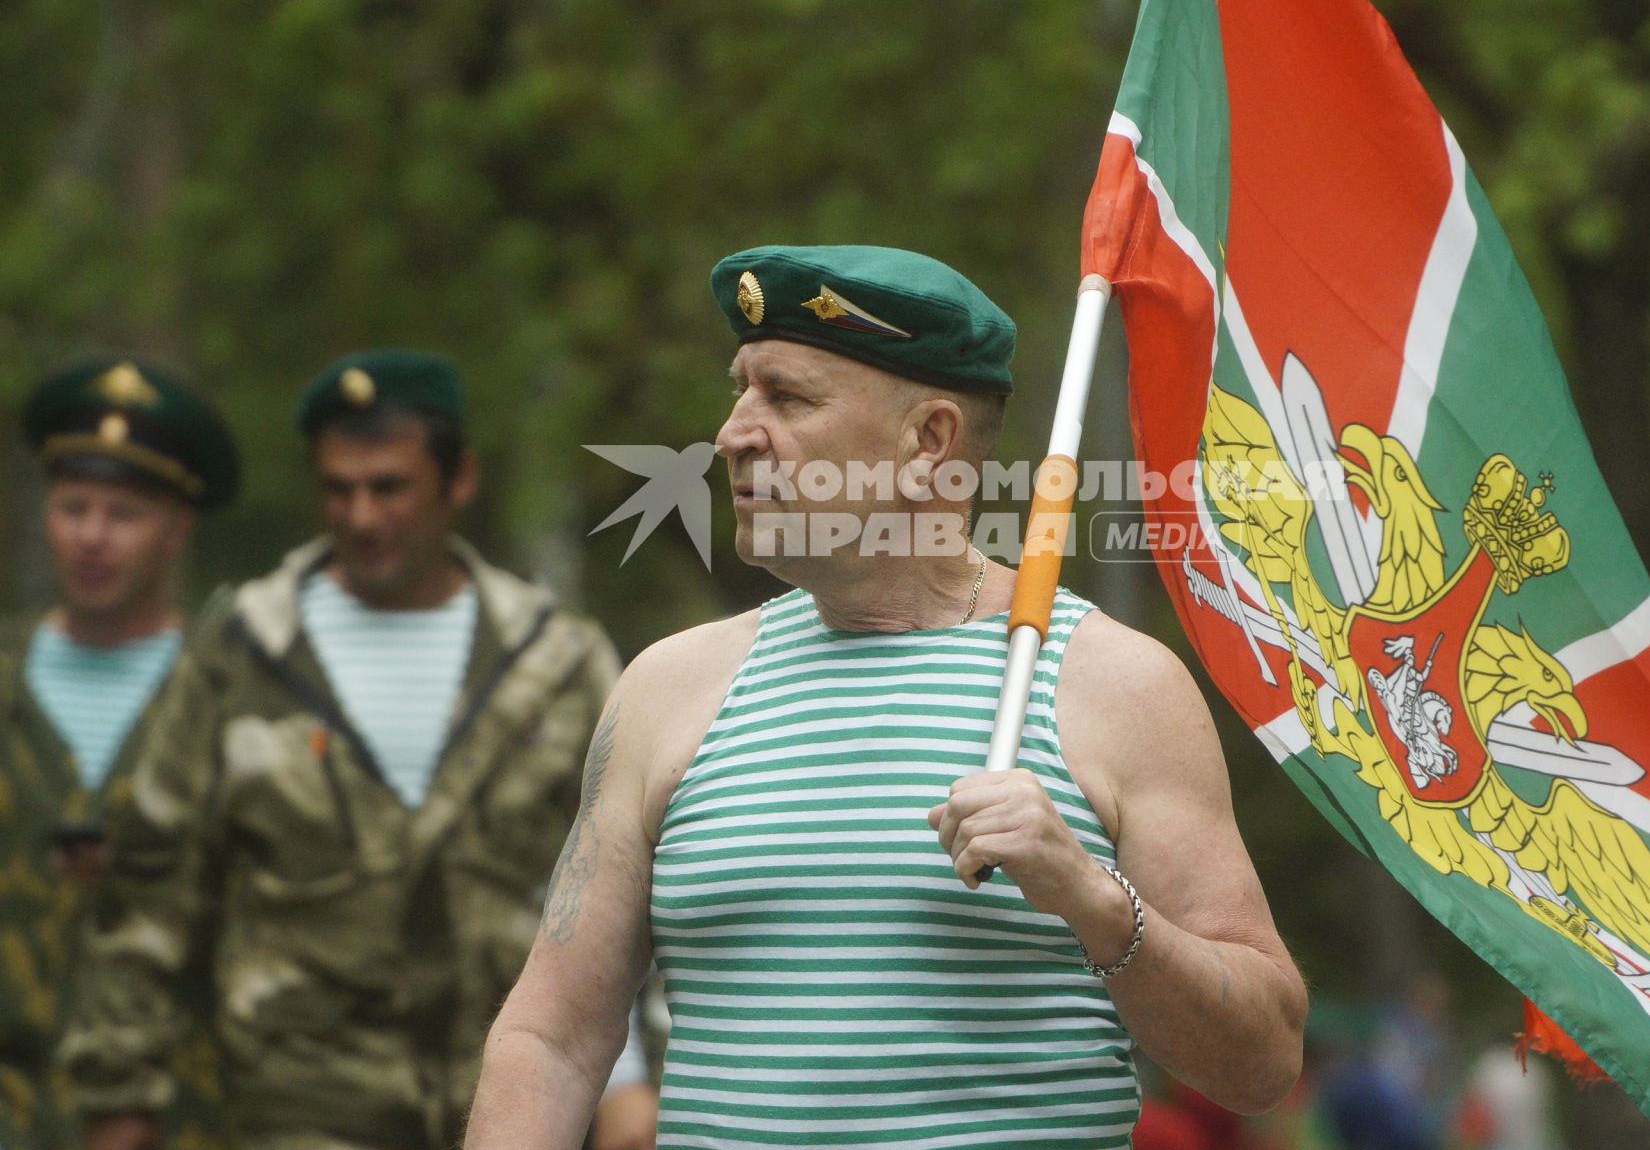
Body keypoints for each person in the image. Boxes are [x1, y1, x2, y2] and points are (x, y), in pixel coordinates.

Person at [465, 245, 1309, 1148]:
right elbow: (551, 1040)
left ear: (929, 441)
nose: (731, 433)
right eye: (740, 389)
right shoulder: (668, 689)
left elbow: (1259, 1064)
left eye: (785, 398)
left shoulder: (1113, 684)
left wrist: (1094, 902)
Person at [60, 349, 628, 1150]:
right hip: (297, 1108)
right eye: (339, 489)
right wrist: (120, 1098)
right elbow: (155, 883)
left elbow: (629, 885)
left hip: (515, 1107)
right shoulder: (246, 650)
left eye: (389, 487)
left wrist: (634, 1082)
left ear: (457, 480)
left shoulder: (558, 661)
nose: (362, 517)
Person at [0, 358, 240, 1150]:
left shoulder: (232, 700)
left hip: (188, 1117)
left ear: (178, 526)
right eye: (73, 508)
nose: (92, 537)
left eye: (124, 514)